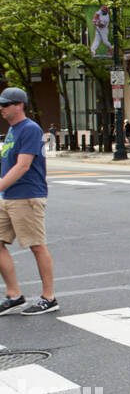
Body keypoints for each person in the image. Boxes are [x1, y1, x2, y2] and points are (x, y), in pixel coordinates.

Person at [0, 87, 57, 315]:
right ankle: (15, 295)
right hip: (9, 196)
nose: (1, 108)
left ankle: (49, 297)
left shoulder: (30, 129)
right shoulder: (13, 130)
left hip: (27, 196)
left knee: (36, 246)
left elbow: (23, 165)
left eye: (5, 104)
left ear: (19, 105)